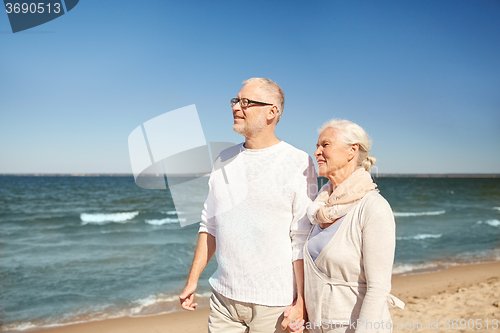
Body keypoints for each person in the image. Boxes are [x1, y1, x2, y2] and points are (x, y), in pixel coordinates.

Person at [179, 77, 318, 333]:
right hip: (223, 298)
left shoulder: (298, 161)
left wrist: (301, 301)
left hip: (275, 303)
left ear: (271, 112)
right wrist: (192, 281)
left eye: (245, 102)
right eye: (235, 101)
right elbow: (209, 224)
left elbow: (302, 238)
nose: (235, 107)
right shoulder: (223, 159)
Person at [300, 119, 404, 333]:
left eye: (325, 145)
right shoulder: (319, 208)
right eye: (317, 146)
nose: (317, 152)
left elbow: (379, 289)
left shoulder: (373, 208)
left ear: (351, 151)